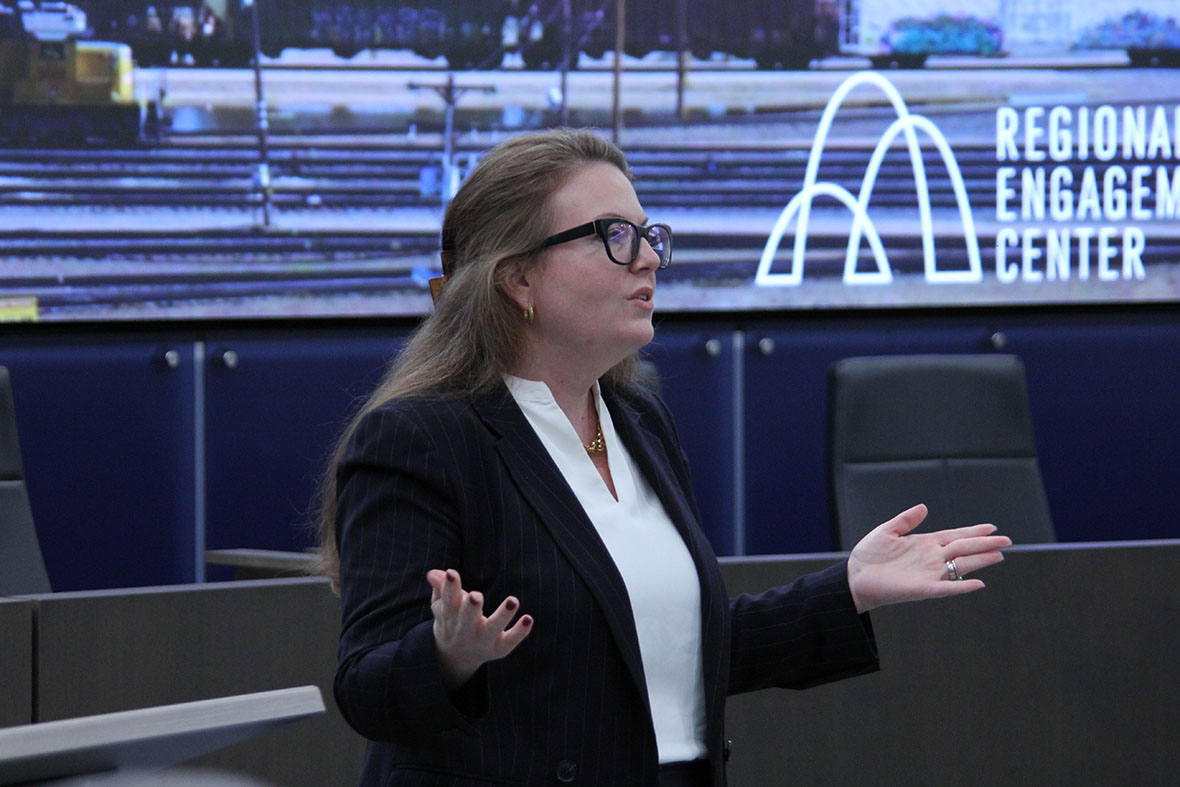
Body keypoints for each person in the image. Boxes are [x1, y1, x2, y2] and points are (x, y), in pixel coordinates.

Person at [317, 128, 1010, 787]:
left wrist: (848, 587)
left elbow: (669, 649)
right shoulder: (422, 438)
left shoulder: (639, 421)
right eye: (614, 236)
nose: (648, 256)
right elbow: (367, 688)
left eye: (648, 234)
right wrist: (449, 655)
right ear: (518, 280)